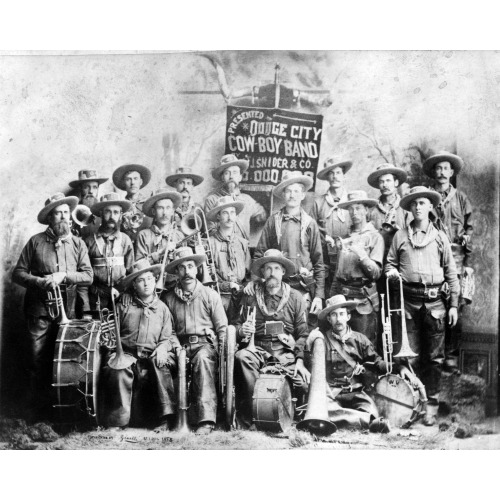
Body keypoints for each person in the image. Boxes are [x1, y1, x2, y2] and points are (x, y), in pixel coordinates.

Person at [12, 193, 93, 421]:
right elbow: (17, 273)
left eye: (66, 213)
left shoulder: (78, 244)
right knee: (35, 359)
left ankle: (64, 413)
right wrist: (39, 281)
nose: (63, 218)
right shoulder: (35, 242)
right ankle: (36, 414)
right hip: (39, 312)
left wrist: (64, 276)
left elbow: (88, 276)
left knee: (67, 362)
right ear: (50, 217)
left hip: (68, 312)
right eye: (58, 213)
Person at [385, 186, 460, 426]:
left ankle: (431, 405)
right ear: (409, 208)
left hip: (436, 303)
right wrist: (392, 272)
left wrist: (454, 305)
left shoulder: (440, 237)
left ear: (430, 207)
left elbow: (451, 273)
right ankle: (412, 405)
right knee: (410, 357)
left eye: (423, 203)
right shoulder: (400, 236)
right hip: (408, 303)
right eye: (414, 203)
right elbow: (389, 265)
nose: (418, 207)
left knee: (435, 359)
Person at [306, 295, 413, 432]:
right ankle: (367, 421)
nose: (338, 319)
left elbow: (377, 362)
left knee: (371, 410)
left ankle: (358, 419)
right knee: (325, 411)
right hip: (332, 393)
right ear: (329, 319)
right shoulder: (323, 340)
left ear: (348, 317)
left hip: (355, 393)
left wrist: (397, 367)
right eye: (334, 315)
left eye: (341, 314)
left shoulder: (360, 340)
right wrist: (309, 344)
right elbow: (313, 368)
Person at [99, 259, 180, 430]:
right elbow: (112, 334)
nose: (146, 284)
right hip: (127, 354)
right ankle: (118, 422)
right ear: (134, 285)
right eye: (141, 280)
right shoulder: (124, 305)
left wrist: (162, 348)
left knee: (160, 364)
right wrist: (115, 353)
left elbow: (168, 336)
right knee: (118, 369)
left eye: (150, 279)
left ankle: (165, 420)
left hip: (151, 355)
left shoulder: (163, 309)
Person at [234, 249, 310, 429]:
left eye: (277, 268)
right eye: (268, 268)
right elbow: (235, 324)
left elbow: (303, 334)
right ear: (262, 272)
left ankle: (287, 413)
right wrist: (241, 330)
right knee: (242, 357)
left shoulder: (295, 298)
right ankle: (257, 412)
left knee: (303, 383)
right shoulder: (250, 296)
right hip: (258, 350)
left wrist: (299, 360)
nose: (272, 272)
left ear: (283, 272)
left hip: (285, 352)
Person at [161, 247, 228, 434]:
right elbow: (169, 330)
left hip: (204, 346)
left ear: (197, 269)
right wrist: (175, 347)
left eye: (190, 266)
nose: (187, 272)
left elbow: (222, 329)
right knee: (161, 362)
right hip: (178, 346)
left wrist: (222, 355)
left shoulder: (210, 295)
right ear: (176, 272)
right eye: (181, 268)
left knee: (203, 359)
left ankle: (205, 419)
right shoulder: (168, 299)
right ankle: (167, 417)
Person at [423, 151, 473, 371]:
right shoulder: (426, 198)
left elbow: (470, 230)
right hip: (431, 258)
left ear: (452, 172)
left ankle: (451, 355)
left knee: (455, 306)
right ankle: (435, 357)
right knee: (434, 307)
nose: (442, 173)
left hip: (456, 258)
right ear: (434, 172)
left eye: (446, 168)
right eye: (438, 168)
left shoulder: (461, 199)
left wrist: (467, 250)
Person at [251, 170, 325, 316]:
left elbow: (319, 263)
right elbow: (259, 254)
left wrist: (319, 295)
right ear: (283, 195)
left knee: (301, 329)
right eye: (288, 191)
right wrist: (255, 282)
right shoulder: (274, 221)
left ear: (303, 195)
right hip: (277, 286)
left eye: (296, 191)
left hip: (303, 286)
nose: (292, 195)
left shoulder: (310, 224)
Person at [332, 191, 384, 344]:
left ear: (367, 210)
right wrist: (332, 298)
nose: (355, 213)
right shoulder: (345, 237)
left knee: (364, 346)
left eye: (359, 208)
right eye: (351, 209)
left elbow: (375, 274)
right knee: (342, 345)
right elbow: (337, 273)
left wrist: (362, 255)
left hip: (363, 302)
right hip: (343, 301)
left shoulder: (375, 237)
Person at [83, 193, 135, 311]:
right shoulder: (89, 241)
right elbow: (85, 274)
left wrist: (124, 291)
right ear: (101, 213)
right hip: (96, 297)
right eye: (108, 212)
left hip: (121, 297)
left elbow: (131, 272)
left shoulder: (125, 240)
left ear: (121, 215)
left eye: (116, 212)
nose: (112, 216)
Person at [207, 196, 251, 322]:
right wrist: (227, 285)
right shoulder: (210, 243)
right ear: (218, 217)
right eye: (225, 213)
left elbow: (248, 275)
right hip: (219, 297)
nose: (230, 217)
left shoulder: (242, 243)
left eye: (232, 212)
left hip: (241, 298)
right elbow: (208, 277)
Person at [310, 157, 352, 286]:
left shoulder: (353, 202)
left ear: (344, 175)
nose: (335, 177)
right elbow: (310, 233)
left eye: (338, 172)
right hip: (324, 260)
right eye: (331, 173)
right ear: (327, 177)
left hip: (348, 260)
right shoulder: (318, 203)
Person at [204, 154, 267, 240]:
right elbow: (210, 231)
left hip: (242, 249)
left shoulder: (247, 200)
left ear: (240, 177)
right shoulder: (212, 200)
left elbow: (263, 216)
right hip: (220, 250)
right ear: (222, 177)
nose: (231, 176)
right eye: (227, 173)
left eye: (235, 172)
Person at [367, 163, 412, 262]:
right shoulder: (371, 210)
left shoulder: (405, 208)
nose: (385, 185)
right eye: (381, 182)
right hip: (376, 260)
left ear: (396, 183)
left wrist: (400, 233)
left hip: (400, 259)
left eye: (388, 180)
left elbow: (412, 236)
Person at [135, 187, 184, 274]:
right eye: (160, 208)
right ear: (154, 211)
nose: (164, 213)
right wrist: (159, 253)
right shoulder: (143, 235)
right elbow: (138, 267)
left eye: (168, 208)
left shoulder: (179, 236)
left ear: (173, 211)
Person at [112, 163, 152, 243]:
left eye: (135, 178)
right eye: (128, 179)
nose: (132, 182)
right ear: (123, 182)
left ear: (141, 182)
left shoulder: (149, 204)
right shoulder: (120, 206)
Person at [68, 169, 109, 238]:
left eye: (94, 187)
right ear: (80, 189)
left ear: (98, 189)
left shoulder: (105, 211)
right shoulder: (71, 212)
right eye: (86, 187)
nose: (91, 191)